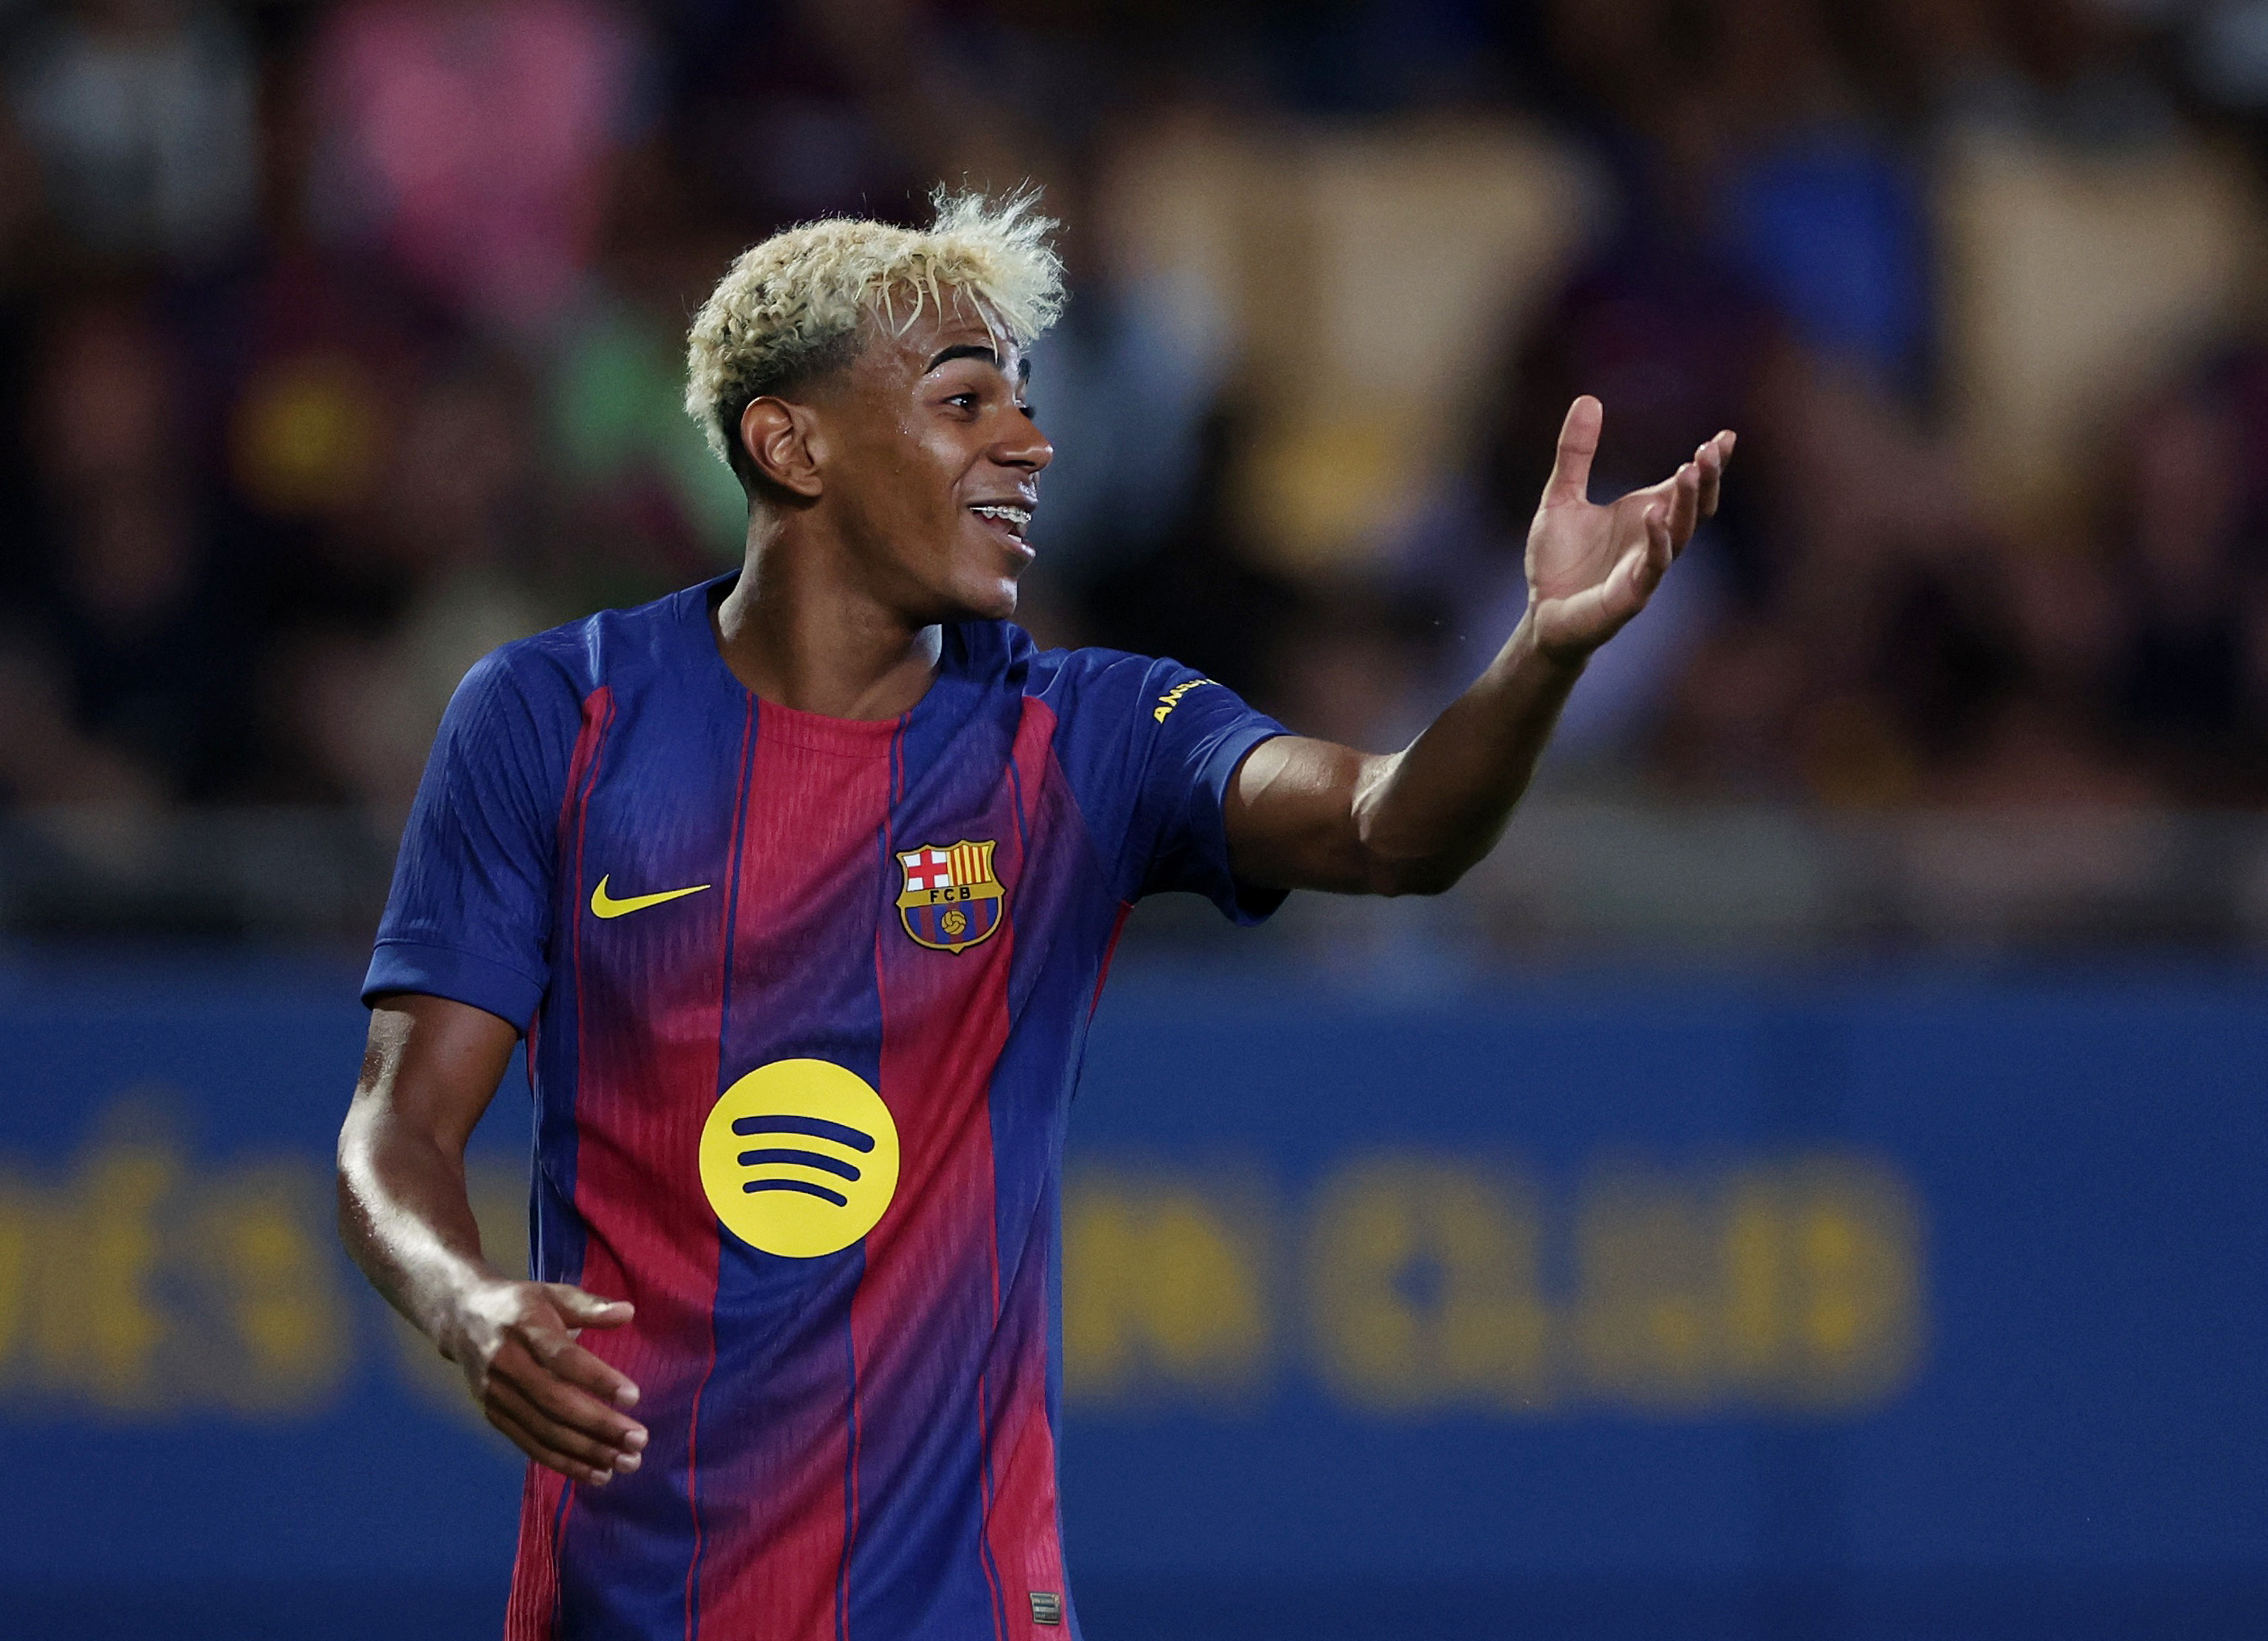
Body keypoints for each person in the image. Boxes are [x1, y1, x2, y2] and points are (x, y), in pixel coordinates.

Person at [336, 190, 1731, 1639]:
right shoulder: (550, 718)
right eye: (963, 400)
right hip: (623, 1605)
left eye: (1024, 402)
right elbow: (398, 1129)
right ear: (789, 442)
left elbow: (1391, 830)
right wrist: (464, 1301)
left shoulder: (1088, 735)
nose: (1027, 444)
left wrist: (1539, 654)